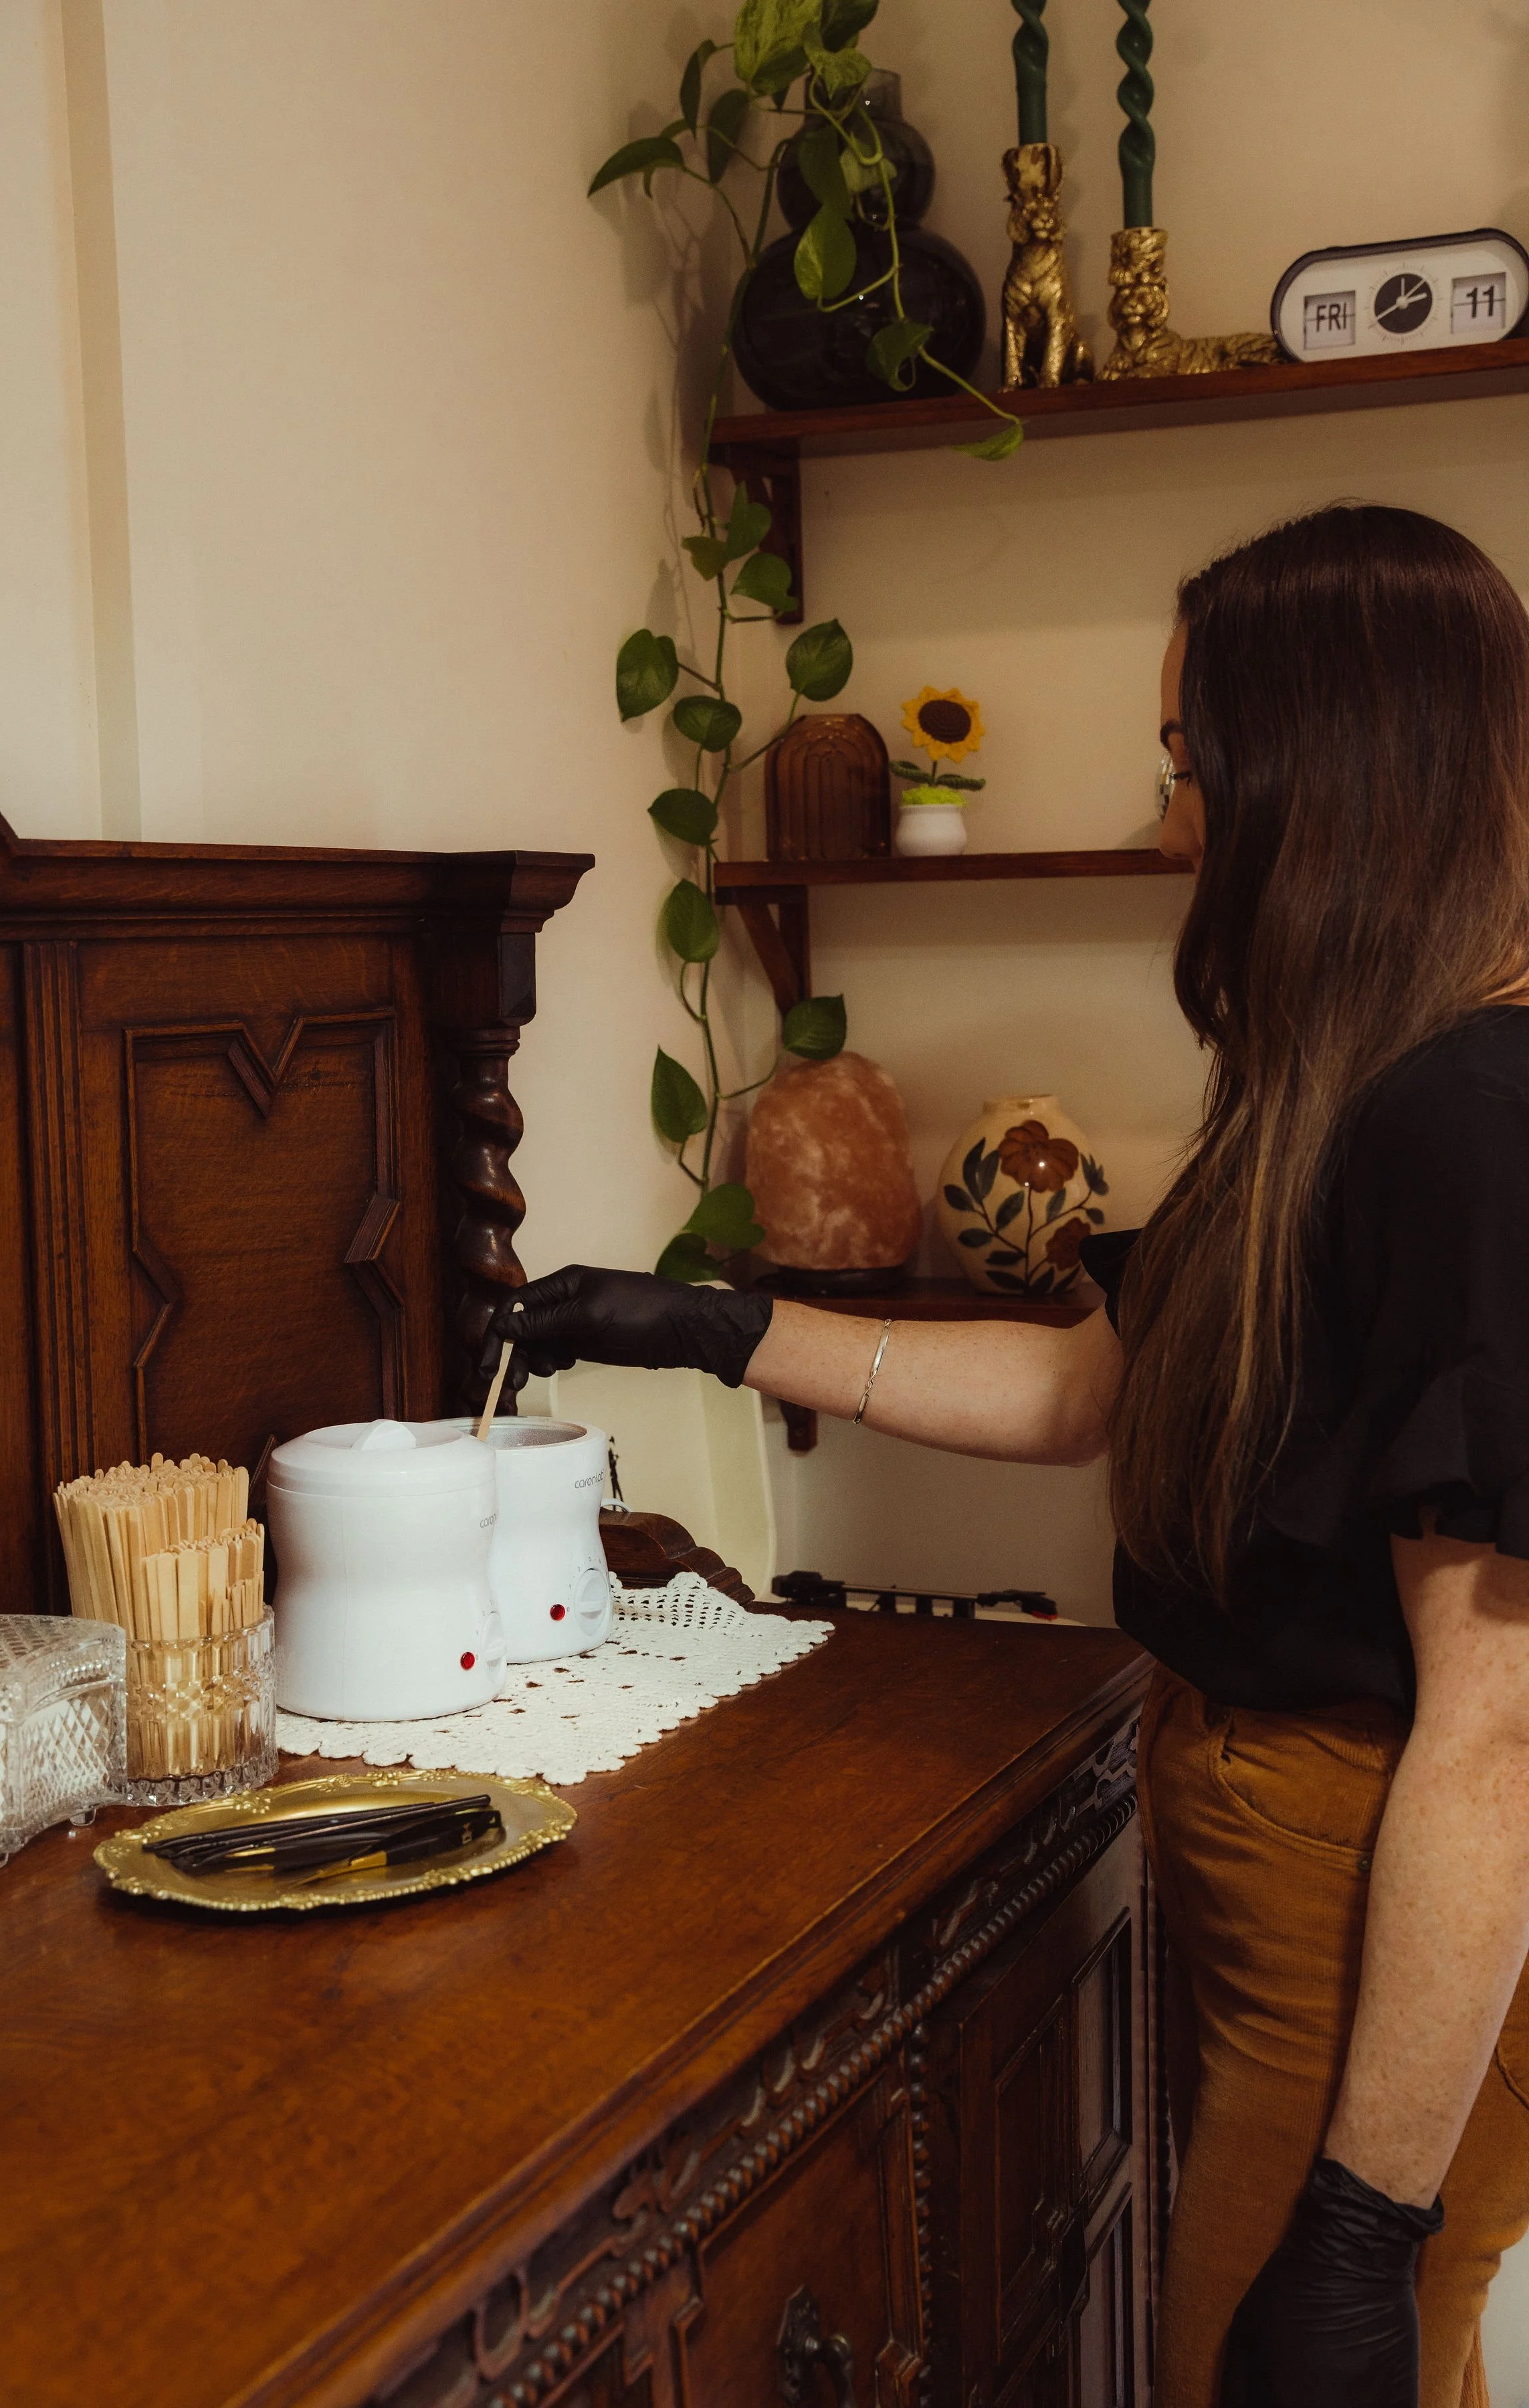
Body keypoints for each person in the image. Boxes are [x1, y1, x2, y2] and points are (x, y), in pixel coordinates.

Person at [478, 504, 1529, 2408]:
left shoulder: (1472, 1119)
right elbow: (1079, 1397)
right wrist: (719, 1326)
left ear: (1328, 777)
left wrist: (1368, 2229)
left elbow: (1505, 1720)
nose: (1170, 822)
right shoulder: (1335, 1085)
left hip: (1370, 1881)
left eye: (1192, 765)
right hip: (1276, 1842)